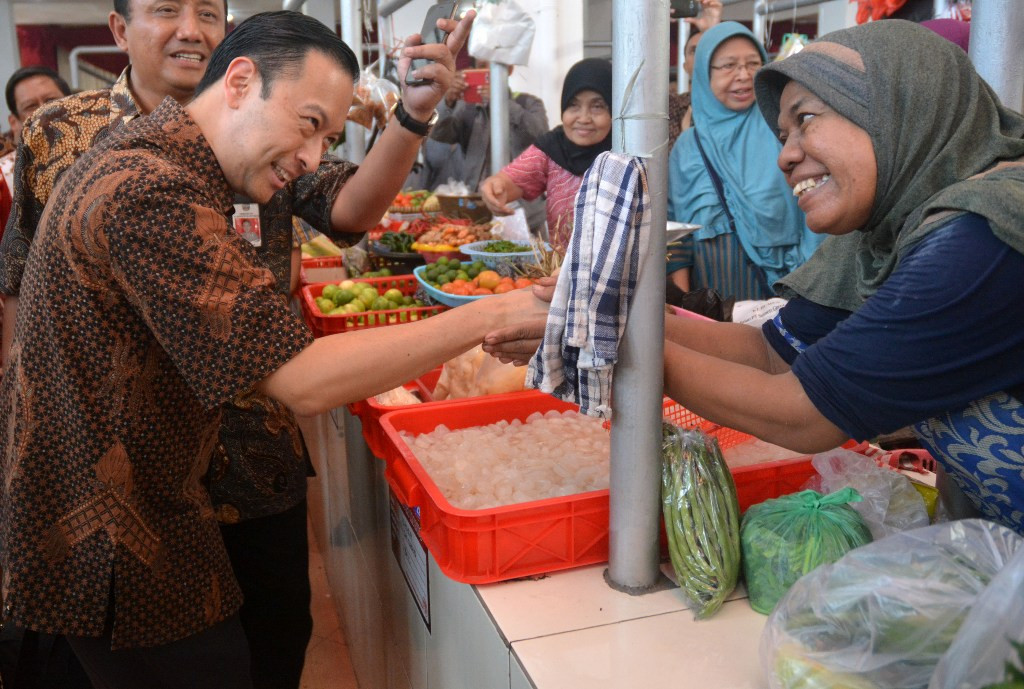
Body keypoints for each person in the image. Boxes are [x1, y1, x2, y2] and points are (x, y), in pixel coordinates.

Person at [0, 9, 546, 688]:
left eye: (328, 135)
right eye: (308, 124)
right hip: (115, 537)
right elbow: (302, 380)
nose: (313, 157)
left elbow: (344, 212)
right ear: (239, 81)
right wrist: (496, 309)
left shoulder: (167, 162)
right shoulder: (150, 188)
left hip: (148, 503)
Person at [666, 22, 821, 297]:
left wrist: (806, 288)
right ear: (704, 73)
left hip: (788, 286)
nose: (744, 75)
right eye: (728, 66)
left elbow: (815, 208)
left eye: (753, 63)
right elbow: (676, 232)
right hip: (711, 294)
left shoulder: (784, 133)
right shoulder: (688, 148)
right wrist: (684, 304)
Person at [479, 57, 612, 253]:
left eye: (597, 106)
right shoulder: (552, 147)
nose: (583, 118)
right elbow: (508, 182)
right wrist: (493, 188)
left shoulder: (626, 154)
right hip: (560, 276)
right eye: (573, 105)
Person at [430, 59, 548, 192]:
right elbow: (438, 135)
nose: (489, 72)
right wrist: (448, 102)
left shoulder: (528, 103)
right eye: (481, 67)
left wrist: (502, 102)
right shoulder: (467, 108)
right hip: (477, 199)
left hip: (520, 202)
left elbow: (541, 134)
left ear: (509, 69)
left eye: (494, 66)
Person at [1, 66, 71, 193]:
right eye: (31, 106)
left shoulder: (104, 158)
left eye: (51, 100)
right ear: (14, 122)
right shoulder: (4, 180)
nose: (43, 111)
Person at [668, 0, 723, 146]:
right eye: (694, 50)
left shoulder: (739, 102)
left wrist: (713, 32)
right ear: (685, 66)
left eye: (709, 48)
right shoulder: (674, 106)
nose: (702, 54)